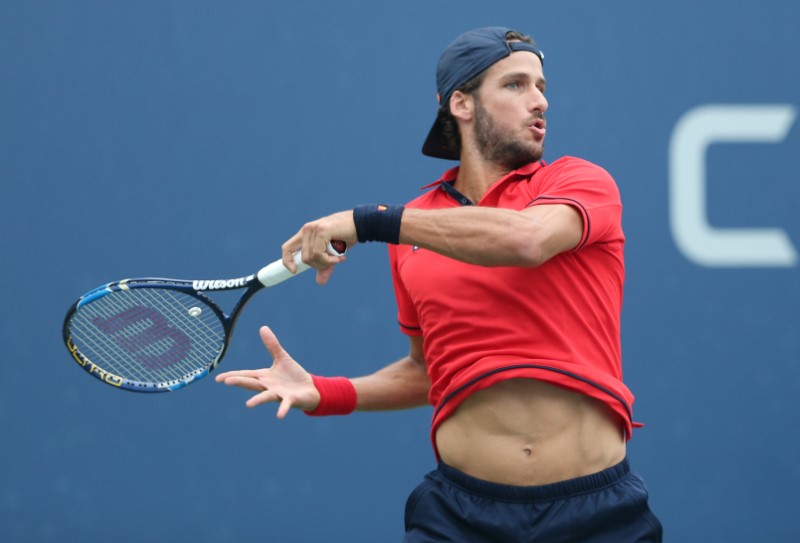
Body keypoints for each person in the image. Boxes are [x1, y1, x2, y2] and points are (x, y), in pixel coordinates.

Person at [216, 26, 662, 542]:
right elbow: (430, 371)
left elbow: (526, 241)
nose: (539, 101)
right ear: (461, 104)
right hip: (460, 518)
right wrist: (327, 391)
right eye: (515, 85)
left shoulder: (578, 181)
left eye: (542, 87)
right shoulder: (417, 230)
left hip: (596, 514)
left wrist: (370, 222)